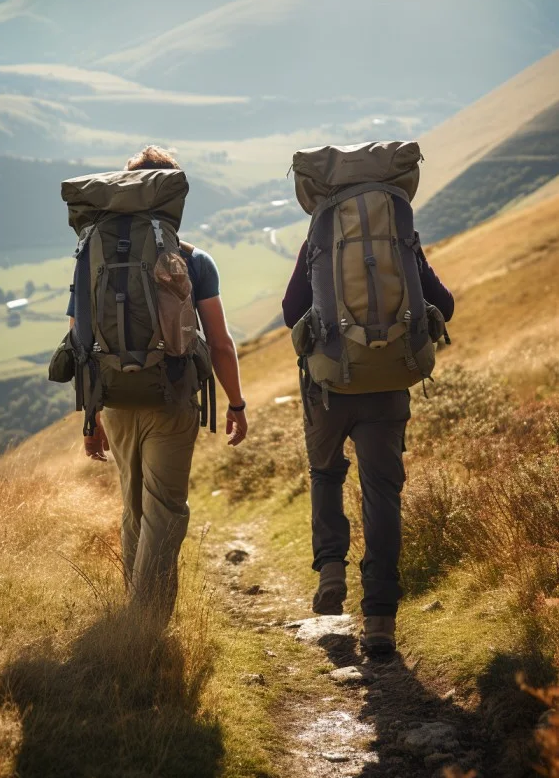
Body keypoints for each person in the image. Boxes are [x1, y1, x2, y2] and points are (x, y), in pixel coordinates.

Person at [67, 146, 248, 623]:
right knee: (164, 509)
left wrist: (91, 415)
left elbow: (78, 336)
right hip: (172, 396)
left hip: (115, 400)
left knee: (132, 509)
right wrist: (236, 403)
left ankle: (134, 618)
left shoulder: (90, 251)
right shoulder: (193, 260)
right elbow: (222, 343)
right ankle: (146, 623)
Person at [282, 236, 453, 658]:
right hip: (388, 385)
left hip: (328, 386)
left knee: (325, 473)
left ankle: (332, 571)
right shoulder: (400, 235)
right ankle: (380, 620)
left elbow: (290, 312)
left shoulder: (319, 237)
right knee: (382, 493)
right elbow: (443, 307)